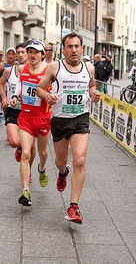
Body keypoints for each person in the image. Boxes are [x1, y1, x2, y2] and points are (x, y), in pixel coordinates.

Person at [36, 32, 101, 224]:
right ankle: (63, 172)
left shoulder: (89, 67)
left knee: (80, 161)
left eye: (77, 46)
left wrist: (94, 93)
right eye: (70, 46)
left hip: (80, 118)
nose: (74, 50)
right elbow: (40, 88)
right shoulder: (55, 67)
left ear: (82, 48)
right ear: (63, 49)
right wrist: (46, 96)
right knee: (60, 161)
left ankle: (73, 207)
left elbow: (92, 86)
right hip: (59, 120)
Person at [11, 39, 51, 206]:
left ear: (43, 54)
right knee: (26, 153)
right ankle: (25, 191)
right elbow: (20, 87)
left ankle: (41, 169)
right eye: (30, 52)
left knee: (42, 152)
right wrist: (14, 96)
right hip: (26, 117)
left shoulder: (50, 71)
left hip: (42, 118)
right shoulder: (21, 69)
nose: (33, 55)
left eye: (36, 52)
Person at [0, 43, 36, 175]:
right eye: (18, 52)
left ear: (28, 54)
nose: (20, 55)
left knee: (30, 146)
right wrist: (4, 97)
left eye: (23, 52)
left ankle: (28, 170)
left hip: (31, 112)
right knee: (14, 142)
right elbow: (0, 84)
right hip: (13, 109)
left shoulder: (35, 71)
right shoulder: (9, 71)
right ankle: (19, 147)